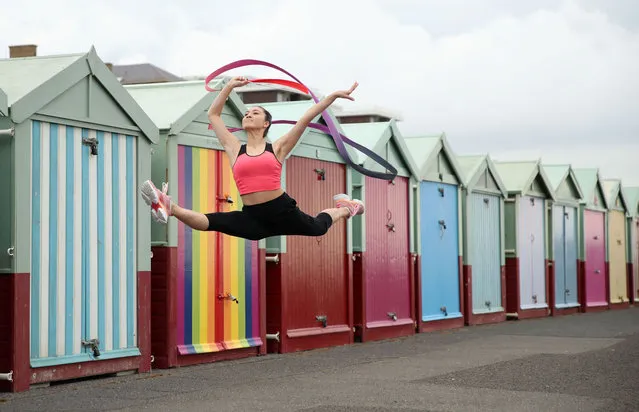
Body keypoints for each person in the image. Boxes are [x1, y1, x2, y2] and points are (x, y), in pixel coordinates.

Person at [140, 76, 365, 241]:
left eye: (255, 113)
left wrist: (332, 97)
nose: (248, 114)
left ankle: (347, 207)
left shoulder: (277, 147)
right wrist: (228, 86)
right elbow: (213, 115)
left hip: (281, 211)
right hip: (253, 218)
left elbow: (306, 118)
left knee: (318, 227)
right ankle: (169, 206)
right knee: (209, 223)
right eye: (247, 112)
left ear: (266, 123)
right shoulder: (234, 147)